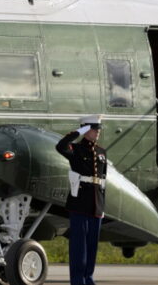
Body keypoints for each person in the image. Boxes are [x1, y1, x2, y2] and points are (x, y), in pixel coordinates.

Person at [56, 114, 107, 285]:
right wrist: (78, 131)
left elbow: (103, 180)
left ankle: (88, 279)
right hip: (80, 204)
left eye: (98, 129)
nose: (97, 133)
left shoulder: (101, 152)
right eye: (93, 129)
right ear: (86, 130)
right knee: (79, 247)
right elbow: (60, 146)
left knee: (92, 247)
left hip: (96, 205)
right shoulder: (75, 150)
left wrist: (102, 205)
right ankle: (78, 281)